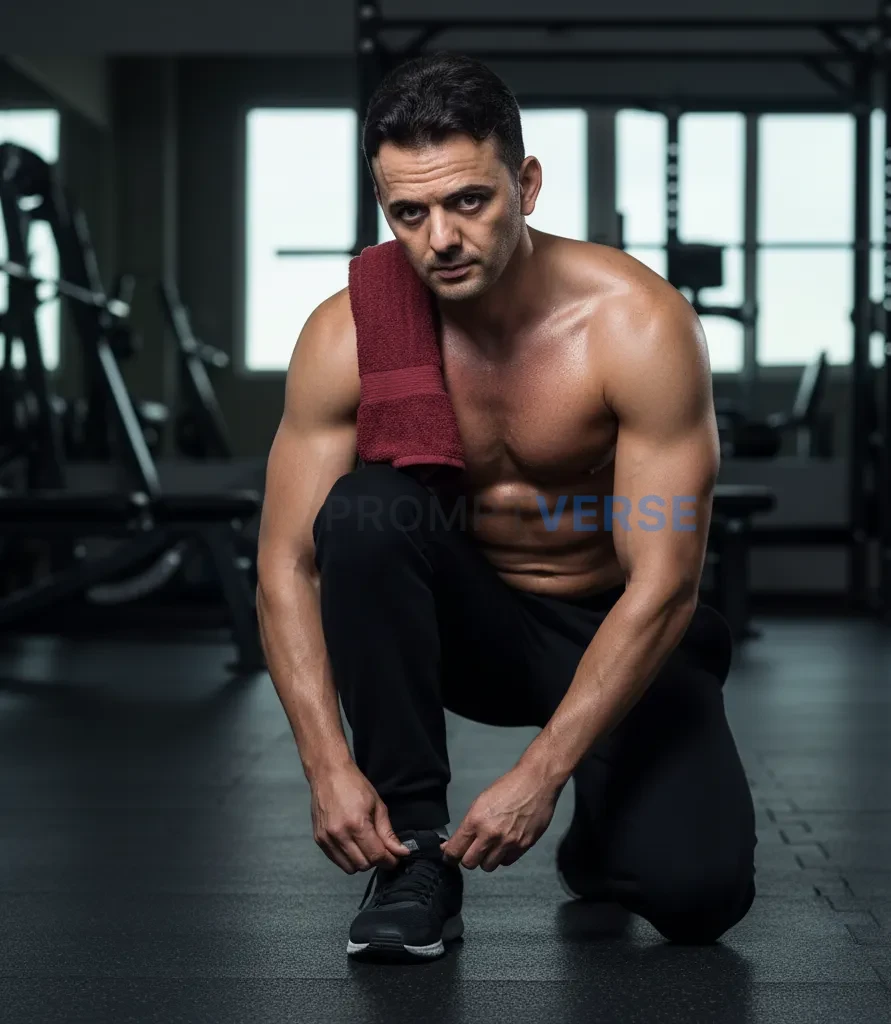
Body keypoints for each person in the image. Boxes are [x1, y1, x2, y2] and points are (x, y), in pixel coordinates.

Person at [256, 52, 755, 964]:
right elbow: (286, 563)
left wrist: (541, 776)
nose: (439, 238)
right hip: (467, 625)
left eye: (469, 202)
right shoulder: (349, 334)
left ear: (525, 184)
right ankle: (413, 861)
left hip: (609, 626)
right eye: (409, 213)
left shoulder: (635, 324)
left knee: (699, 897)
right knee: (366, 513)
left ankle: (604, 837)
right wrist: (328, 766)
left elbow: (667, 582)